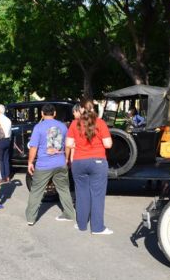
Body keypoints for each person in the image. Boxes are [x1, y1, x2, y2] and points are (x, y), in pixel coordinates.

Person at [67, 99, 113, 235]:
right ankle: (97, 228)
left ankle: (81, 224)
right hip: (97, 162)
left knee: (81, 194)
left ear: (80, 109)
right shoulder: (100, 123)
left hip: (78, 162)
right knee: (97, 195)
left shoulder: (75, 124)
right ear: (93, 109)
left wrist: (79, 145)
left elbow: (69, 144)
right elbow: (108, 144)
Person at [24, 104, 76, 226]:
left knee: (36, 191)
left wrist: (30, 162)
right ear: (54, 113)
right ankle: (69, 213)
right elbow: (68, 145)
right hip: (60, 162)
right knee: (64, 189)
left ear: (42, 113)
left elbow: (33, 147)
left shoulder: (38, 127)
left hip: (44, 165)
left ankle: (31, 218)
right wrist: (66, 159)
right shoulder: (63, 127)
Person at [0, 104, 12, 183]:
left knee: (0, 159)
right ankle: (7, 176)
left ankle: (2, 177)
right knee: (6, 159)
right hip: (8, 140)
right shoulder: (8, 119)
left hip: (1, 140)